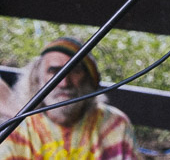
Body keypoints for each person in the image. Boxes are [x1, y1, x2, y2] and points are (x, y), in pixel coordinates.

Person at [0, 37, 139, 160]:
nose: (64, 82)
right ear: (37, 79)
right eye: (54, 71)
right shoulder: (19, 130)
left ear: (89, 79)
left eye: (75, 71)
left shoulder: (114, 124)